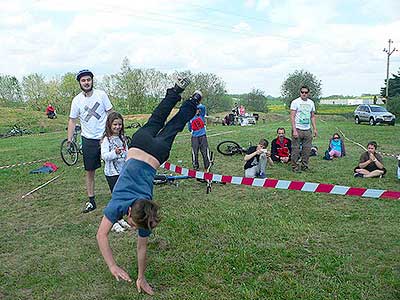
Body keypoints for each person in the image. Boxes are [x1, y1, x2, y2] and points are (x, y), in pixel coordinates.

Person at [96, 77, 199, 295]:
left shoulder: (145, 210)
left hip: (151, 148)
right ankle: (187, 97)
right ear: (132, 210)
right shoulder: (120, 205)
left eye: (132, 224)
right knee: (166, 121)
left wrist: (128, 272)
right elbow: (104, 236)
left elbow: (108, 237)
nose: (132, 226)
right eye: (134, 224)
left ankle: (189, 96)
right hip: (141, 147)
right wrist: (124, 271)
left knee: (167, 121)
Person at [67, 69, 113, 213]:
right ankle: (91, 200)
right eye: (83, 80)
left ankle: (118, 195)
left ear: (92, 81)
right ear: (80, 83)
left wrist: (114, 133)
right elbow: (72, 120)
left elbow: (111, 113)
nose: (86, 82)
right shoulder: (77, 100)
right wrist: (69, 140)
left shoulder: (101, 95)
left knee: (114, 167)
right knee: (90, 171)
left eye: (88, 80)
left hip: (105, 137)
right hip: (88, 139)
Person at [101, 112, 131, 233]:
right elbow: (104, 156)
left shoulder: (123, 138)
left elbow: (127, 152)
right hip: (112, 173)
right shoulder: (106, 140)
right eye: (115, 124)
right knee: (116, 197)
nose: (117, 127)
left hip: (123, 172)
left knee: (123, 196)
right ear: (109, 124)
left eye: (119, 124)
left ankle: (120, 218)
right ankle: (112, 221)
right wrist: (115, 153)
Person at [290, 86, 318, 172]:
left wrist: (315, 129)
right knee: (296, 149)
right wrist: (294, 130)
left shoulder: (311, 103)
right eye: (302, 92)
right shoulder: (295, 102)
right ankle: (295, 167)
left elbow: (312, 116)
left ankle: (304, 166)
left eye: (306, 92)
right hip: (298, 129)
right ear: (300, 93)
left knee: (307, 149)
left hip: (307, 129)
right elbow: (292, 116)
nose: (304, 94)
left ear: (308, 93)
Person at [187, 95, 211, 171]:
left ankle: (207, 165)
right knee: (195, 152)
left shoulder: (201, 115)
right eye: (195, 110)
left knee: (204, 151)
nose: (197, 111)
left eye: (198, 110)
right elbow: (189, 128)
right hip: (194, 137)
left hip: (202, 136)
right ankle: (195, 165)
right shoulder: (190, 117)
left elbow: (203, 107)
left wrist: (196, 101)